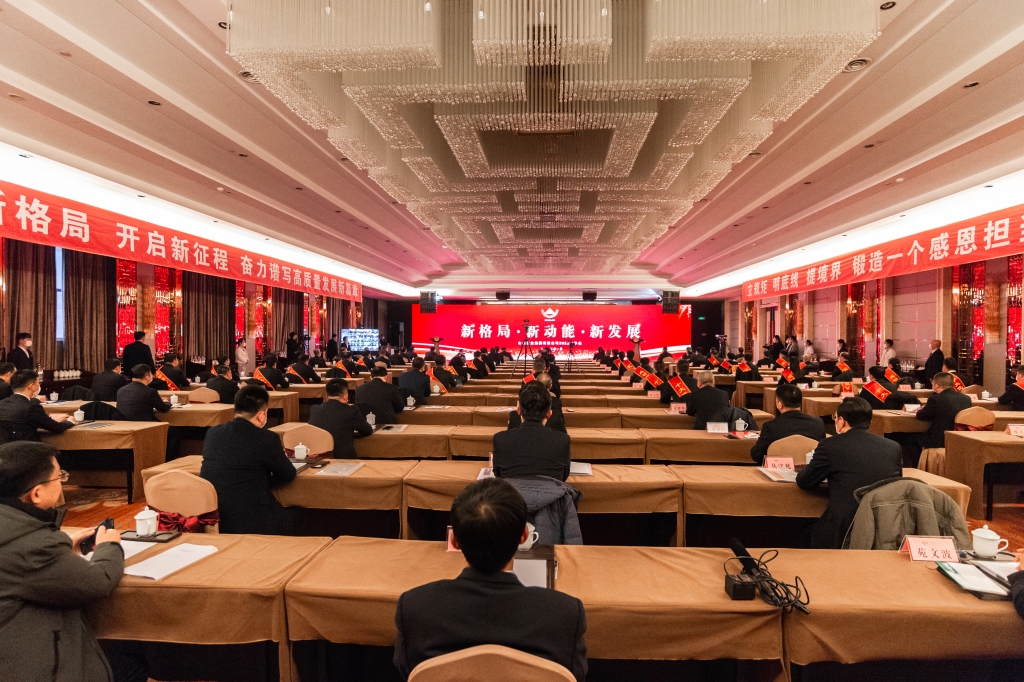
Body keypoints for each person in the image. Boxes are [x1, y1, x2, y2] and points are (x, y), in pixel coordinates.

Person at [393, 478, 587, 681]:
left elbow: (405, 670)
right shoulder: (565, 614)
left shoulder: (414, 608)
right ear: (524, 537)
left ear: (454, 541)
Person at [0, 441, 125, 681]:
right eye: (60, 477)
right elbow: (97, 582)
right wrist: (110, 545)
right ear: (37, 493)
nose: (62, 482)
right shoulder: (34, 545)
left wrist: (61, 547)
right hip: (28, 663)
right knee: (130, 660)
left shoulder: (18, 534)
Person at [796, 397, 902, 549]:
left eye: (835, 417)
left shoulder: (830, 445)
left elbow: (805, 481)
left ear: (842, 421)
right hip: (885, 524)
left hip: (844, 527)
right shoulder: (893, 447)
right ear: (869, 421)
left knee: (800, 531)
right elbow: (897, 483)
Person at [200, 385, 296, 535]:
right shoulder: (266, 438)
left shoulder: (213, 433)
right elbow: (288, 474)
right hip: (251, 519)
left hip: (213, 516)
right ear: (261, 415)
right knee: (298, 517)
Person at [493, 382, 571, 481]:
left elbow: (498, 475)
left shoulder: (500, 439)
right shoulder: (562, 440)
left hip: (511, 491)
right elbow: (564, 476)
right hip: (551, 490)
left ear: (518, 411)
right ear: (549, 414)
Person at [749, 384, 826, 465]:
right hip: (810, 469)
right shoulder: (818, 423)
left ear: (780, 405)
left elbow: (757, 455)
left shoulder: (771, 426)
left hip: (779, 469)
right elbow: (823, 451)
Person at [0, 370, 75, 442]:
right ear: (31, 386)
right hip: (27, 447)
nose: (39, 386)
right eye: (38, 383)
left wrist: (50, 419)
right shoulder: (32, 407)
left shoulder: (2, 403)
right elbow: (56, 428)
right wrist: (70, 421)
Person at [309, 379, 373, 459]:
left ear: (326, 394)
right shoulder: (350, 411)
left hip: (319, 457)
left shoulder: (315, 409)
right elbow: (367, 430)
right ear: (345, 396)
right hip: (343, 459)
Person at [916, 372, 972, 454]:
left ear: (936, 385)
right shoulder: (966, 399)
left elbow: (921, 415)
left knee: (910, 438)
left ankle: (919, 462)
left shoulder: (935, 399)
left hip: (940, 440)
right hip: (960, 438)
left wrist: (920, 409)